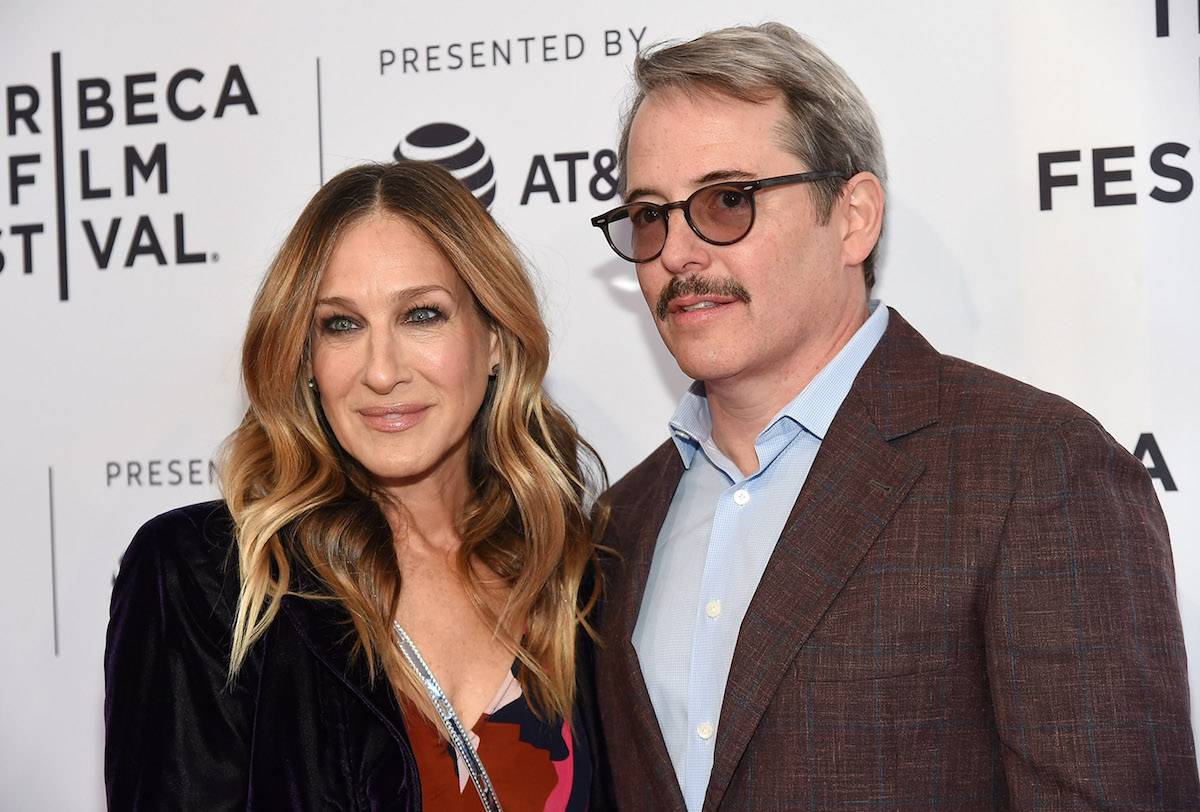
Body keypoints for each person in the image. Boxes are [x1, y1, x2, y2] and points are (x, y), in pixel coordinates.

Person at [588, 22, 1198, 810]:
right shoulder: (620, 522)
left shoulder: (1035, 471)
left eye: (726, 201)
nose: (678, 252)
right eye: (649, 215)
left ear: (854, 217)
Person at [105, 160, 605, 811]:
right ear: (306, 359)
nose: (381, 370)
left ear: (496, 341)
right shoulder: (212, 579)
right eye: (341, 324)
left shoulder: (568, 575)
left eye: (422, 315)